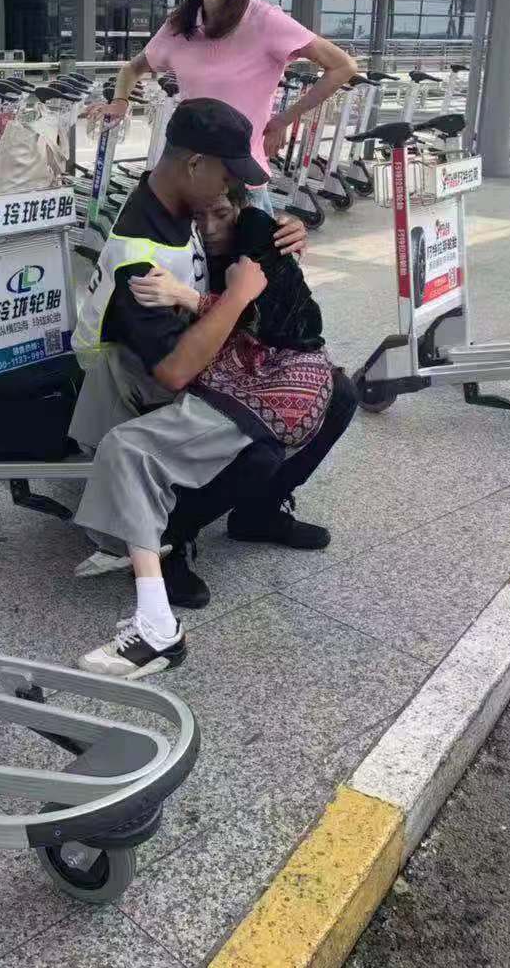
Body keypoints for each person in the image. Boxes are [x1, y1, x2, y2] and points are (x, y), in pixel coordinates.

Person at [69, 99, 353, 679]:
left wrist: (281, 238)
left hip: (201, 361)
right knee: (257, 450)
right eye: (225, 176)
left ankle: (256, 515)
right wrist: (237, 296)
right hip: (140, 384)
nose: (230, 192)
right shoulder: (140, 253)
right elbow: (173, 371)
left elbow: (239, 261)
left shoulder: (183, 206)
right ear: (195, 164)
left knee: (338, 394)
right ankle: (170, 543)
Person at [86, 0, 357, 212]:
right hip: (185, 186)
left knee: (252, 245)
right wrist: (120, 102)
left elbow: (343, 66)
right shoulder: (180, 25)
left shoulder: (265, 21)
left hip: (239, 191)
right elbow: (132, 69)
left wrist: (284, 119)